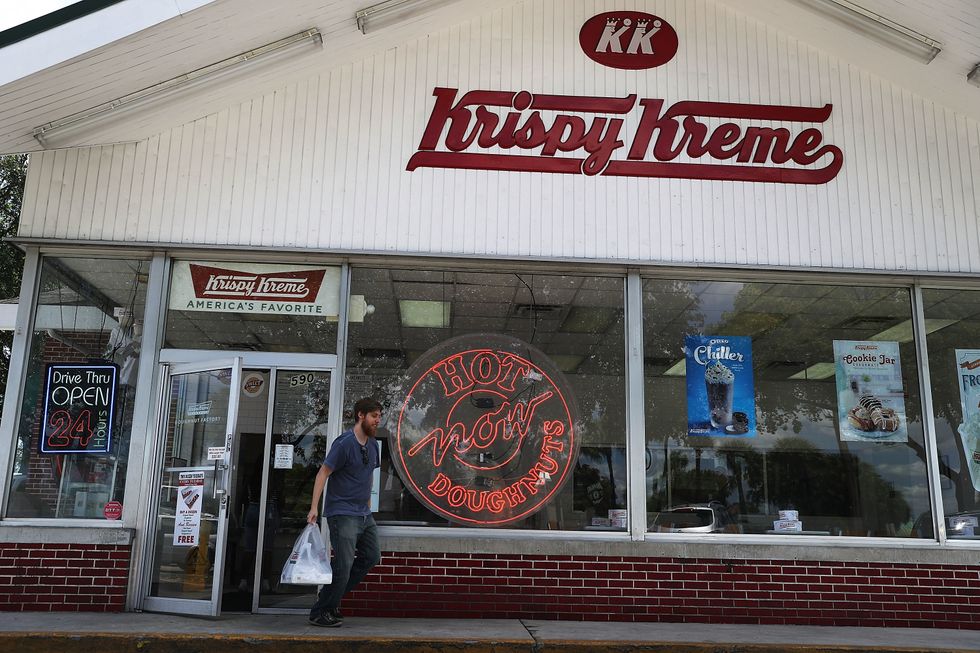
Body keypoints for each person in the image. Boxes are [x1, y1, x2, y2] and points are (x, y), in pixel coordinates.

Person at [306, 398, 382, 627]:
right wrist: (314, 507)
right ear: (361, 415)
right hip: (342, 512)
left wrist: (368, 504)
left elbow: (368, 475)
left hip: (363, 514)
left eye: (379, 416)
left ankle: (329, 600)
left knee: (371, 557)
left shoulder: (373, 445)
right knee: (344, 565)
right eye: (374, 416)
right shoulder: (344, 443)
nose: (378, 420)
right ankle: (321, 611)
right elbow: (323, 473)